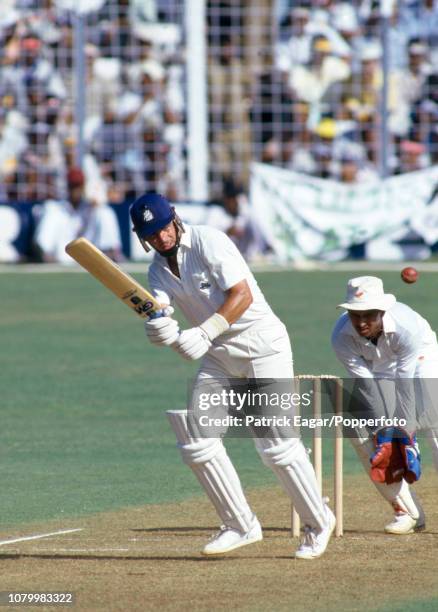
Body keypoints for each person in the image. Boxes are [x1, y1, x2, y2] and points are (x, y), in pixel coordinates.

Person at [130, 191, 335, 559]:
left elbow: (242, 296)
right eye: (152, 233)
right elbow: (160, 309)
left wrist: (205, 331)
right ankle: (240, 524)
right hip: (221, 357)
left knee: (276, 445)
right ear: (141, 237)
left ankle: (319, 523)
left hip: (262, 346)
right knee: (196, 438)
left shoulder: (209, 241)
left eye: (164, 228)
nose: (161, 237)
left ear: (174, 218)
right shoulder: (157, 270)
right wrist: (158, 329)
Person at [332, 276, 438, 534]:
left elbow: (405, 378)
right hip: (379, 370)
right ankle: (409, 512)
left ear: (382, 311)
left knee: (432, 421)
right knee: (376, 435)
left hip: (421, 357)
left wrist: (406, 429)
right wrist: (385, 430)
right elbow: (366, 383)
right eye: (355, 315)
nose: (361, 322)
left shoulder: (405, 328)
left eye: (368, 315)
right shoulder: (341, 337)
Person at [34, 166, 122, 264]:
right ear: (68, 186)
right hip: (61, 257)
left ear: (83, 186)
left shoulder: (91, 207)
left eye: (78, 186)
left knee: (105, 212)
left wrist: (94, 205)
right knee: (51, 211)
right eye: (73, 186)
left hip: (89, 257)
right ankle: (46, 257)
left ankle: (110, 255)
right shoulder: (56, 208)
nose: (76, 190)